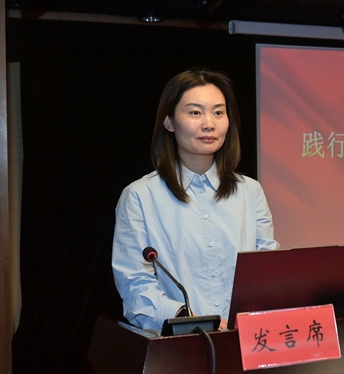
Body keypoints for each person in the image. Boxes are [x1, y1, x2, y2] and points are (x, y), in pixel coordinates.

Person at [112, 69, 279, 333]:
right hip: (179, 345)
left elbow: (268, 270)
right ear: (169, 121)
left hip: (246, 340)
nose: (209, 124)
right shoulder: (139, 197)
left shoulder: (250, 191)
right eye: (195, 112)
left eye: (218, 112)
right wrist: (192, 320)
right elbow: (136, 285)